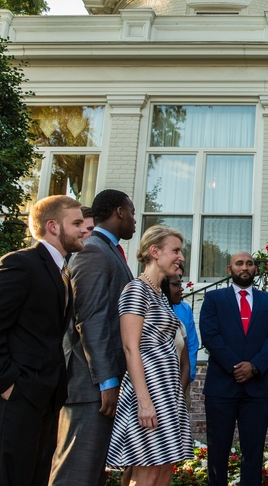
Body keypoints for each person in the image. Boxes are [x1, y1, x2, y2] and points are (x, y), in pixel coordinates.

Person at [0, 195, 88, 486]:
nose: (85, 229)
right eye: (78, 223)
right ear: (53, 226)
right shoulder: (19, 263)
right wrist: (5, 383)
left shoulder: (62, 273)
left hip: (40, 398)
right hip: (9, 400)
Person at [51, 189, 137, 486]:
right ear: (119, 212)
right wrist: (107, 381)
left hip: (100, 386)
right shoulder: (92, 251)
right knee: (76, 473)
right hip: (90, 387)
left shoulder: (108, 250)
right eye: (133, 213)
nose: (135, 221)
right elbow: (90, 319)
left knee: (92, 475)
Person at [106, 225, 192, 486]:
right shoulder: (136, 290)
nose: (181, 257)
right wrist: (144, 402)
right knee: (147, 472)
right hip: (148, 394)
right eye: (175, 250)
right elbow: (131, 348)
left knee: (165, 469)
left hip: (169, 393)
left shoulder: (161, 296)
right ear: (154, 252)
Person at [200, 251, 268, 486]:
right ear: (229, 269)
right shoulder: (213, 299)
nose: (245, 267)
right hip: (221, 387)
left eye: (249, 263)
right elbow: (210, 336)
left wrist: (254, 366)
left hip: (257, 389)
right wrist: (235, 366)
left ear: (255, 269)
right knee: (218, 452)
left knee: (253, 453)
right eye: (239, 263)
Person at [161, 274, 199, 410]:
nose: (181, 289)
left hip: (180, 382)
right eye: (176, 284)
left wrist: (186, 378)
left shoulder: (183, 314)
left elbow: (192, 346)